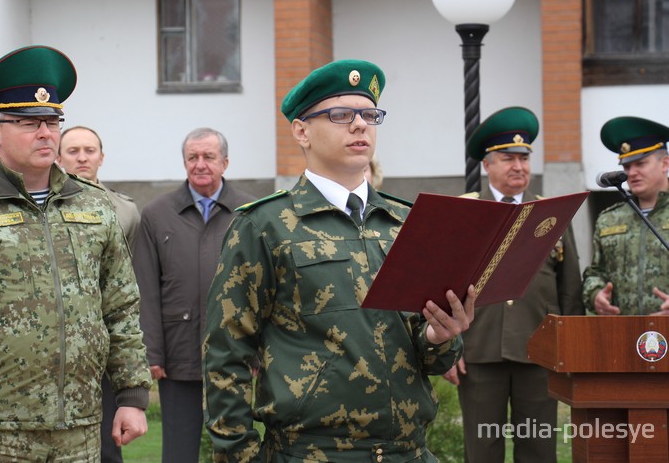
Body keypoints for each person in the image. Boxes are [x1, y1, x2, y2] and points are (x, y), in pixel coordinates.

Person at [201, 59, 475, 462]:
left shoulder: (405, 223)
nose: (360, 125)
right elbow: (226, 351)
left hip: (407, 451)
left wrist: (442, 335)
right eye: (341, 115)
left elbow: (431, 356)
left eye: (369, 114)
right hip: (313, 452)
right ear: (302, 131)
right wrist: (239, 456)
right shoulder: (264, 226)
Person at [0, 45, 151, 462]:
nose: (45, 133)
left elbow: (121, 306)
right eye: (29, 122)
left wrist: (132, 394)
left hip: (80, 427)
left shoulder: (93, 205)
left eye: (52, 121)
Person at [443, 106, 584, 463]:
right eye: (508, 158)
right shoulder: (465, 215)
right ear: (487, 165)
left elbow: (569, 289)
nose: (518, 166)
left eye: (523, 158)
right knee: (483, 450)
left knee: (538, 449)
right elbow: (441, 288)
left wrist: (569, 348)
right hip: (478, 351)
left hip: (538, 352)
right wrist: (445, 349)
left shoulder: (550, 214)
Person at [135, 127, 254, 463]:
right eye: (193, 157)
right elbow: (146, 289)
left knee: (236, 448)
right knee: (178, 451)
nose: (200, 164)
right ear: (184, 161)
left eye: (209, 157)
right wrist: (152, 352)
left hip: (234, 352)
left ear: (225, 162)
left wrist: (257, 351)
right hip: (177, 353)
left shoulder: (249, 211)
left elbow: (260, 288)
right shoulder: (157, 214)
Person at [57, 125, 142, 463]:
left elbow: (128, 279)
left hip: (104, 338)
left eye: (89, 150)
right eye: (73, 151)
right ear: (60, 158)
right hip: (57, 341)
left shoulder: (125, 211)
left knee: (107, 443)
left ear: (101, 157)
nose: (81, 157)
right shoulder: (45, 206)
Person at [583, 116, 669, 315]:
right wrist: (596, 295)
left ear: (665, 163)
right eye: (627, 166)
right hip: (622, 336)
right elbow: (595, 273)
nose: (632, 173)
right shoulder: (609, 219)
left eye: (640, 164)